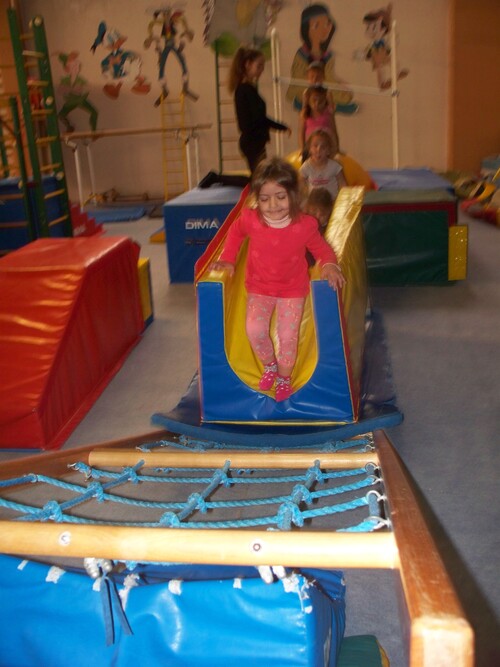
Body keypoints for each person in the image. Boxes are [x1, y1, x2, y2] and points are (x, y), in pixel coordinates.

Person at [210, 157, 345, 402]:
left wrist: (330, 265)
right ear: (257, 198)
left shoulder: (304, 225)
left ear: (294, 195)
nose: (272, 205)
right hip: (260, 287)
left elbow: (322, 250)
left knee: (287, 337)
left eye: (280, 197)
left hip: (292, 290)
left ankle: (284, 376)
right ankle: (269, 365)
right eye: (264, 199)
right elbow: (236, 232)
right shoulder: (252, 219)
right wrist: (228, 258)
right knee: (254, 329)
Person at [228, 47, 290, 173]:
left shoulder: (248, 89)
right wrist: (280, 127)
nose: (261, 70)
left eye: (263, 66)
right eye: (259, 66)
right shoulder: (245, 90)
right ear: (248, 65)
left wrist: (280, 127)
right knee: (259, 178)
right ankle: (217, 178)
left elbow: (259, 117)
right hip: (252, 142)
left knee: (260, 176)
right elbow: (258, 119)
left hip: (254, 141)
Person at [300, 129, 346, 200]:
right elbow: (300, 183)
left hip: (331, 201)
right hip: (314, 202)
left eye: (323, 147)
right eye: (315, 146)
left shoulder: (334, 166)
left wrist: (343, 198)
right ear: (310, 149)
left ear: (328, 151)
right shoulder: (307, 166)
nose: (318, 150)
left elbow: (342, 183)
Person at [299, 85, 339, 160]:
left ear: (325, 101)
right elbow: (301, 133)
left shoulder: (328, 112)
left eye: (320, 101)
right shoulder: (305, 114)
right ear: (309, 101)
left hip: (325, 147)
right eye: (314, 100)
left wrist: (336, 148)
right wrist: (302, 148)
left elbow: (334, 131)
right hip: (311, 147)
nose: (317, 104)